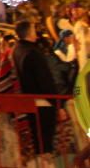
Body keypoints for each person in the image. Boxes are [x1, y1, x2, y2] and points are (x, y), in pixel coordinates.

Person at [13, 20, 62, 159]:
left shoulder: (17, 49)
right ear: (29, 32)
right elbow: (45, 80)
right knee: (45, 139)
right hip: (42, 101)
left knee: (37, 136)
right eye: (34, 29)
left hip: (29, 100)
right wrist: (57, 103)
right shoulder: (33, 53)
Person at [52, 29, 79, 93]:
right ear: (66, 38)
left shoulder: (68, 47)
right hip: (66, 79)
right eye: (71, 37)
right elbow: (69, 63)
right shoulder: (61, 51)